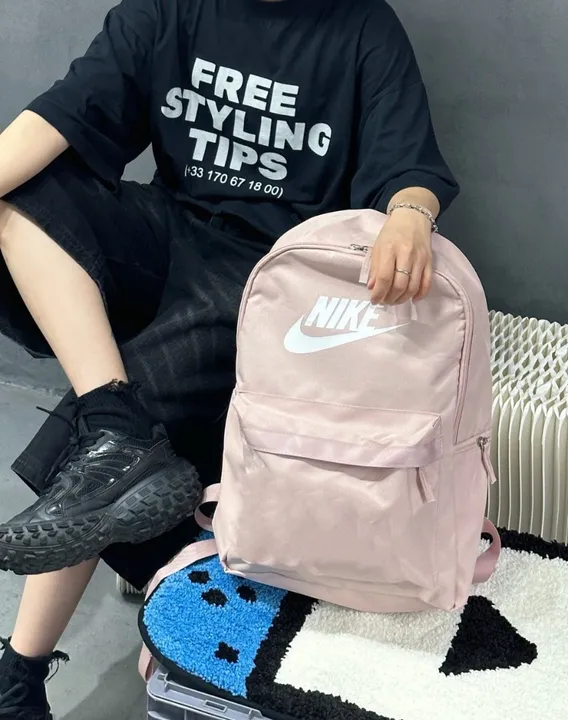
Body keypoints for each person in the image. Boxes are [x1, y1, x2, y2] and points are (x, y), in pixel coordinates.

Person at [0, 0, 459, 716]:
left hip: (269, 270)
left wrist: (409, 215)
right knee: (20, 197)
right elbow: (62, 115)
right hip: (166, 228)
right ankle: (113, 421)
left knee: (117, 440)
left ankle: (17, 678)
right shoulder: (168, 9)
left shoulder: (362, 28)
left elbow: (408, 162)